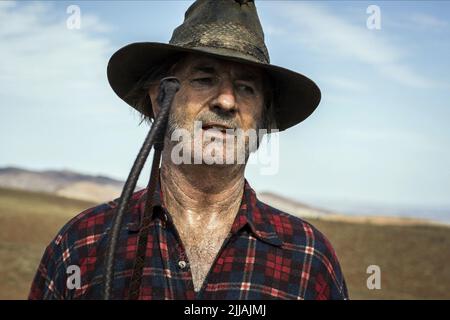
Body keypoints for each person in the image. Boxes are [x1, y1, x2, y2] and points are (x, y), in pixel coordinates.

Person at [29, 0, 348, 300]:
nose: (226, 101)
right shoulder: (81, 245)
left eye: (246, 87)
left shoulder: (308, 258)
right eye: (204, 78)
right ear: (160, 98)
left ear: (262, 116)